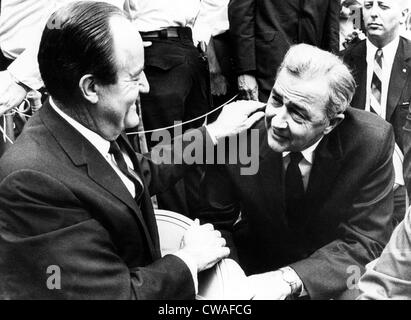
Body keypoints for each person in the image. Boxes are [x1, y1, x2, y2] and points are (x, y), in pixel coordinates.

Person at [0, 1, 264, 299]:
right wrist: (188, 259)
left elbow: (138, 172)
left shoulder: (86, 122)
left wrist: (212, 133)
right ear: (91, 88)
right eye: (135, 76)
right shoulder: (32, 182)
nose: (147, 87)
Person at [196, 43, 395, 300]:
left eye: (298, 114)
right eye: (276, 99)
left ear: (331, 123)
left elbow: (367, 241)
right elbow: (214, 223)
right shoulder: (237, 136)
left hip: (336, 276)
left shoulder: (370, 141)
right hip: (254, 271)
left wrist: (289, 280)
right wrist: (233, 284)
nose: (277, 120)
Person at [341, 0, 411, 225]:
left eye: (383, 6)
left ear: (404, 15)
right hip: (352, 172)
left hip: (401, 178)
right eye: (369, 6)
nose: (373, 14)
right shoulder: (343, 61)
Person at [228, 0, 340, 103]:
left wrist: (333, 72)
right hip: (266, 67)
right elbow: (240, 14)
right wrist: (245, 71)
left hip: (312, 70)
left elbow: (332, 26)